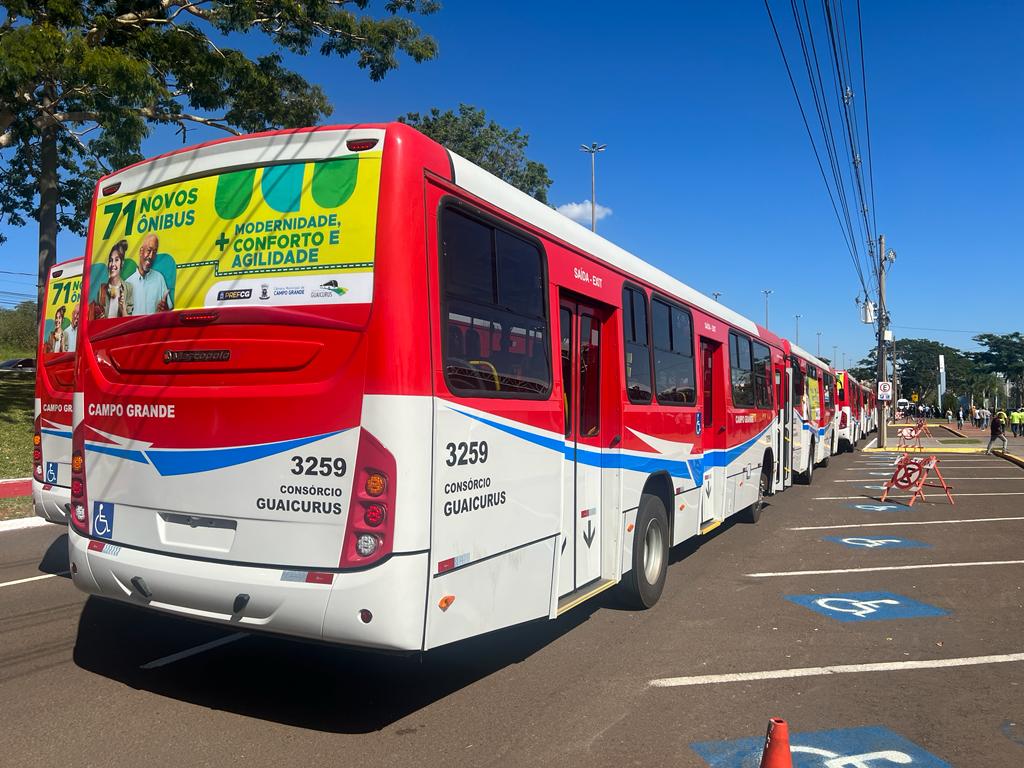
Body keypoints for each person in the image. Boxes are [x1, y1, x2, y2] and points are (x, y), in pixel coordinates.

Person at [126, 234, 172, 315]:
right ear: (141, 251)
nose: (151, 256)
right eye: (149, 250)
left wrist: (166, 310)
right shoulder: (127, 284)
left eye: (154, 252)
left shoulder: (159, 279)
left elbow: (169, 312)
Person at [91, 240, 133, 319]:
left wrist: (123, 308)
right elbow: (95, 319)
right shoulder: (102, 289)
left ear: (122, 263)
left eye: (116, 260)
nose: (113, 264)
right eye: (111, 260)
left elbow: (129, 321)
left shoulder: (128, 288)